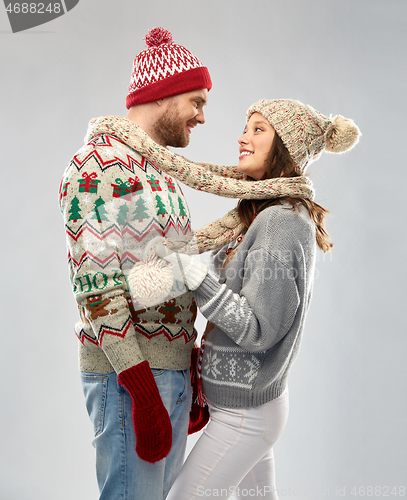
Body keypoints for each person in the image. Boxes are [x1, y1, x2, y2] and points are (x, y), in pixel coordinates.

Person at [59, 27, 308, 500]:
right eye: (196, 101)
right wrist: (140, 386)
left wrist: (185, 366)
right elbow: (97, 287)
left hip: (167, 371)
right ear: (163, 95)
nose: (202, 116)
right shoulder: (99, 165)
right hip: (130, 373)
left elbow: (165, 273)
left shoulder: (159, 173)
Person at [130, 98, 360, 499]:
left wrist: (194, 274)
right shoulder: (260, 211)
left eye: (258, 129)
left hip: (245, 416)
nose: (242, 137)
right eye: (246, 127)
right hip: (247, 406)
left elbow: (259, 330)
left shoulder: (280, 220)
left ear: (286, 148)